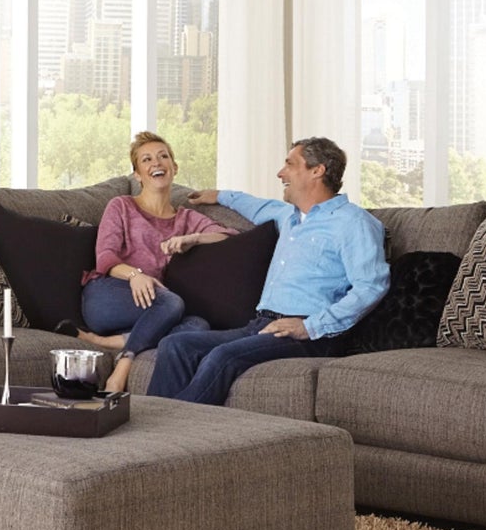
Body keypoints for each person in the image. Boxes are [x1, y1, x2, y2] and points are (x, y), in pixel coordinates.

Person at [145, 137, 388, 407]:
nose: (280, 173)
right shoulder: (288, 217)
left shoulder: (353, 222)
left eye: (290, 164)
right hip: (262, 325)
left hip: (312, 334)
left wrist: (309, 327)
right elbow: (256, 206)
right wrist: (219, 196)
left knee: (222, 357)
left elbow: (371, 286)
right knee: (175, 345)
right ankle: (156, 422)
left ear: (317, 170)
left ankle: (171, 425)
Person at [78, 131, 233, 394]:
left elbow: (229, 235)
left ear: (174, 167)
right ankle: (123, 366)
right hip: (107, 296)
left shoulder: (186, 219)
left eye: (163, 156)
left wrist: (194, 238)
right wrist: (135, 275)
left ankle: (113, 342)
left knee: (198, 326)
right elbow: (105, 257)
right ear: (137, 175)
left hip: (150, 307)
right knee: (172, 302)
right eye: (146, 159)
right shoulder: (121, 206)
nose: (156, 163)